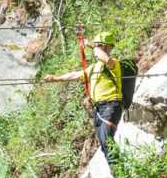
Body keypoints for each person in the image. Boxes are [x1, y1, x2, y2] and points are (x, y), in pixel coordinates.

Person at [43, 31, 122, 165]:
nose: (98, 49)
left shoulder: (113, 64)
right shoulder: (93, 68)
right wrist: (56, 78)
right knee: (104, 144)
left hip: (110, 105)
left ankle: (121, 175)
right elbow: (75, 75)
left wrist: (91, 45)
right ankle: (119, 173)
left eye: (101, 46)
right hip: (99, 109)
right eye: (98, 46)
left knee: (107, 140)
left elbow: (104, 58)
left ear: (109, 47)